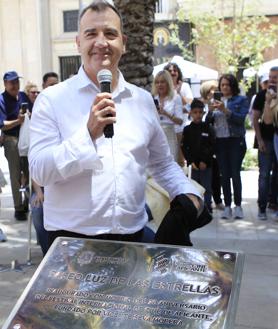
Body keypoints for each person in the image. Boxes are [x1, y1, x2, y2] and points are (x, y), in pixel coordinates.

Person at [29, 0, 203, 249]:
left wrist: (186, 191)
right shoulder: (52, 99)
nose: (101, 42)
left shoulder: (142, 100)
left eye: (110, 34)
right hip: (71, 244)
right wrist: (88, 134)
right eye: (91, 34)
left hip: (132, 238)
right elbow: (39, 171)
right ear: (78, 43)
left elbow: (162, 164)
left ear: (124, 43)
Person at [206, 74, 249, 219]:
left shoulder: (241, 100)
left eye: (227, 85)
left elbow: (240, 119)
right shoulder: (215, 101)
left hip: (235, 141)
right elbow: (208, 122)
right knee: (224, 175)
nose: (224, 87)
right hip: (220, 142)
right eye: (222, 85)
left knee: (235, 174)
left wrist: (225, 110)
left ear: (233, 86)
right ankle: (227, 206)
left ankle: (238, 206)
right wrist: (210, 111)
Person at [30, 74, 58, 255]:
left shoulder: (62, 110)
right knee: (39, 215)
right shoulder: (38, 116)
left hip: (61, 184)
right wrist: (39, 191)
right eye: (49, 85)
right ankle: (48, 255)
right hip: (41, 184)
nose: (52, 88)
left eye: (56, 85)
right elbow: (34, 164)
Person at [0, 71, 29, 220]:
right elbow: (2, 125)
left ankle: (28, 202)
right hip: (11, 140)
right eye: (12, 83)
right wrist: (18, 121)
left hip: (26, 139)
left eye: (17, 82)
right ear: (5, 84)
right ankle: (18, 207)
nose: (15, 85)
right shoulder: (1, 100)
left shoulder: (23, 96)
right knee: (16, 174)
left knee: (30, 172)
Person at [252, 67, 278, 220]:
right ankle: (262, 207)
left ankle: (274, 205)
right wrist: (260, 140)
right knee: (264, 175)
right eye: (270, 77)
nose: (272, 80)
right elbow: (256, 119)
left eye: (275, 77)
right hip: (266, 140)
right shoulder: (261, 95)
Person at [181, 99, 215, 213]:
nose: (198, 115)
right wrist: (191, 162)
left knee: (207, 187)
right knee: (194, 187)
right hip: (193, 166)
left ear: (204, 113)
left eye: (200, 112)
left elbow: (211, 146)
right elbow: (184, 147)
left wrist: (205, 161)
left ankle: (207, 207)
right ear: (190, 113)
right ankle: (196, 208)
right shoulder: (187, 129)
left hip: (206, 165)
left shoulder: (208, 128)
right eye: (195, 112)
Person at [200, 80, 224, 210]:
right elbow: (203, 123)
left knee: (217, 173)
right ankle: (206, 202)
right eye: (211, 90)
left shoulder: (220, 104)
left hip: (217, 142)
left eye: (216, 89)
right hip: (204, 145)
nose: (214, 92)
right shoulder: (200, 105)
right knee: (206, 175)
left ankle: (218, 200)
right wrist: (209, 111)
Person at [164, 62, 193, 166]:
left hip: (181, 128)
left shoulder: (184, 86)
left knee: (180, 159)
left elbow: (189, 106)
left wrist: (178, 92)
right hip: (165, 128)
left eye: (175, 70)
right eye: (170, 70)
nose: (172, 72)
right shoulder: (162, 87)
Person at [152, 70, 183, 162]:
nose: (159, 85)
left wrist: (165, 113)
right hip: (155, 134)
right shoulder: (153, 98)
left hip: (169, 132)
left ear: (168, 83)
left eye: (162, 82)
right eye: (157, 82)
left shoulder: (176, 98)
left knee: (171, 162)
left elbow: (180, 121)